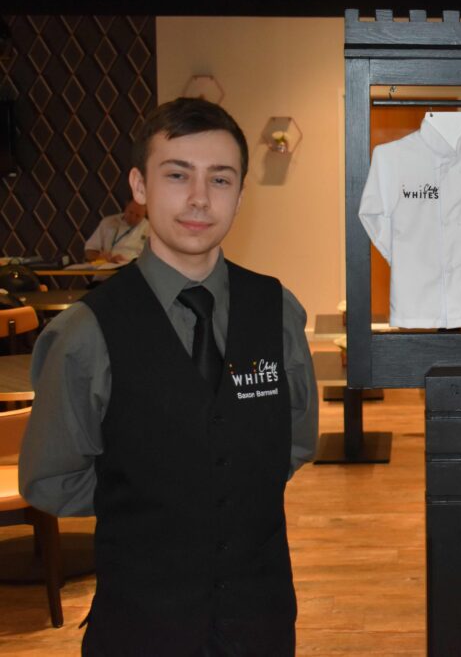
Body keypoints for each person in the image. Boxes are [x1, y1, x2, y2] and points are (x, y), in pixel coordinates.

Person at [19, 97, 318, 656]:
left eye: (220, 179)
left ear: (240, 194)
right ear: (140, 185)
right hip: (140, 625)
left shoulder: (276, 311)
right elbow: (52, 479)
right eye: (177, 175)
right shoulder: (85, 334)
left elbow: (294, 443)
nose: (200, 198)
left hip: (261, 619)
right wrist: (152, 501)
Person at [84, 199, 149, 264]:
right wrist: (100, 257)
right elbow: (89, 251)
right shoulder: (108, 222)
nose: (132, 218)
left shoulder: (149, 229)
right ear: (126, 206)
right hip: (107, 267)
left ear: (145, 214)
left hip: (134, 267)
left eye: (138, 216)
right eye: (130, 212)